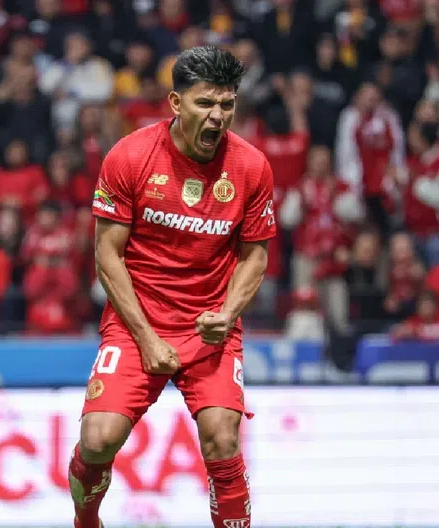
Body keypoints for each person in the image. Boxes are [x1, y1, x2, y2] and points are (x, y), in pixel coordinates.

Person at [69, 46, 274, 528]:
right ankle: (86, 521)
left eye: (227, 104)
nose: (218, 115)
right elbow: (107, 256)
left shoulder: (252, 167)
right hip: (136, 323)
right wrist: (146, 338)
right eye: (205, 103)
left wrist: (228, 313)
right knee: (97, 440)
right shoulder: (129, 156)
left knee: (223, 440)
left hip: (210, 327)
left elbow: (255, 255)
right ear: (176, 103)